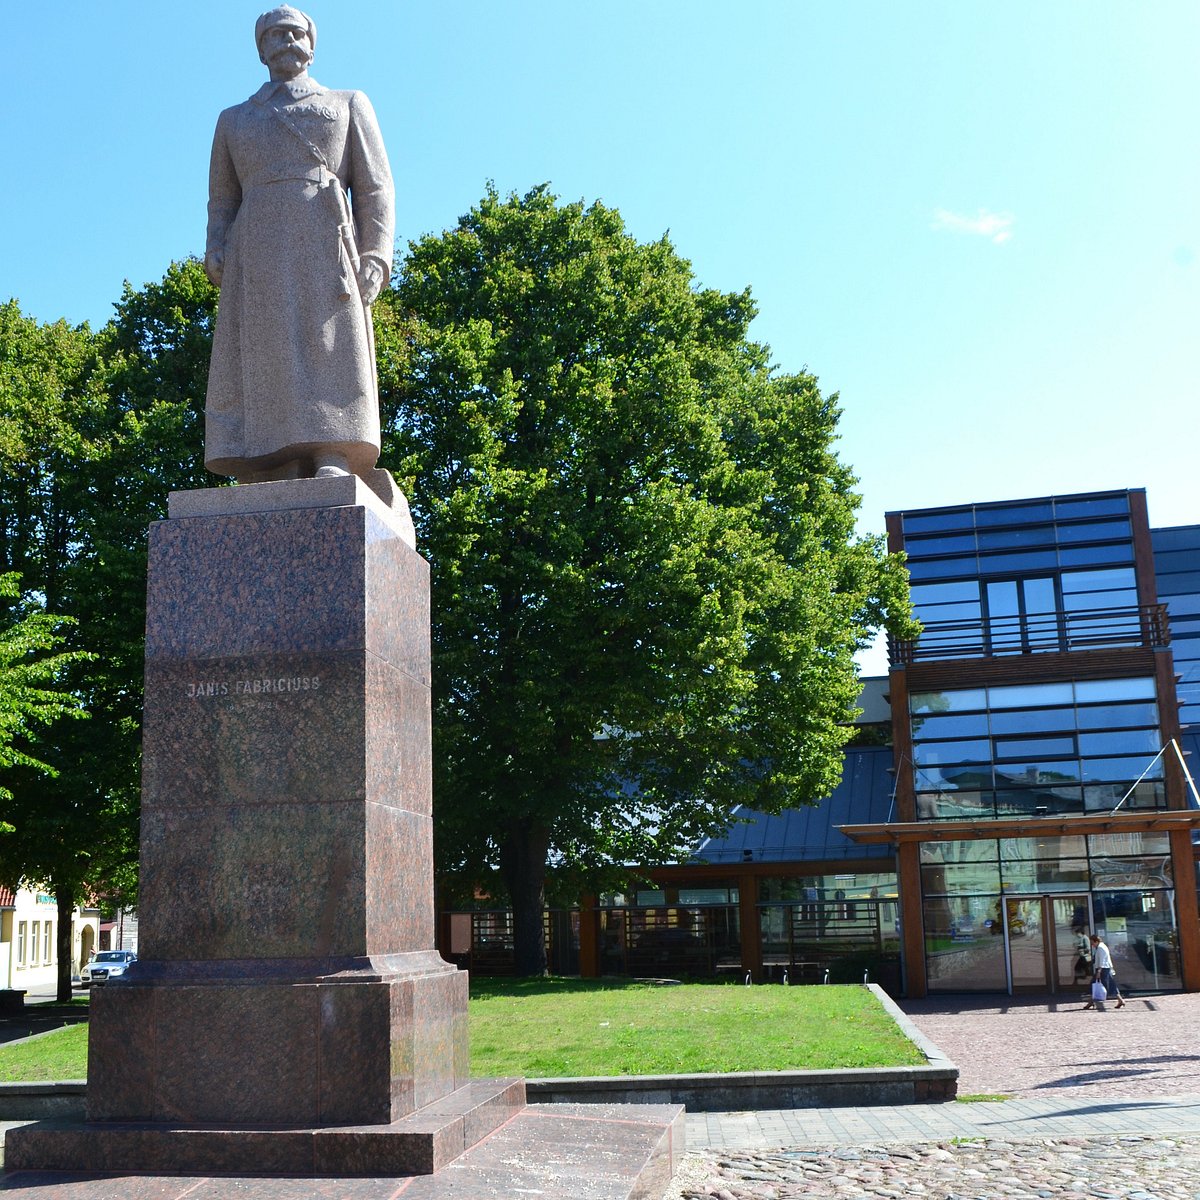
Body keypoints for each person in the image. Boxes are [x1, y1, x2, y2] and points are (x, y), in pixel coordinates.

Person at [203, 6, 398, 505]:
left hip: (324, 240)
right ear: (260, 48)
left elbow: (375, 189)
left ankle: (330, 450)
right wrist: (216, 243)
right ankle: (275, 455)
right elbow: (223, 197)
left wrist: (376, 254)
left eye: (296, 33)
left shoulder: (347, 102)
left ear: (312, 44)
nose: (286, 41)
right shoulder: (234, 119)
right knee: (264, 347)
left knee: (329, 344)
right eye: (274, 34)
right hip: (256, 249)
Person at [1083, 933, 1125, 1010]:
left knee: (1099, 985)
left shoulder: (1101, 948)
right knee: (1107, 985)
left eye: (1092, 943)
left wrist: (1099, 971)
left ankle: (1091, 1002)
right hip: (1104, 969)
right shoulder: (1101, 947)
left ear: (1096, 941)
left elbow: (1102, 961)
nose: (1092, 945)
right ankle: (1091, 1002)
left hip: (1103, 969)